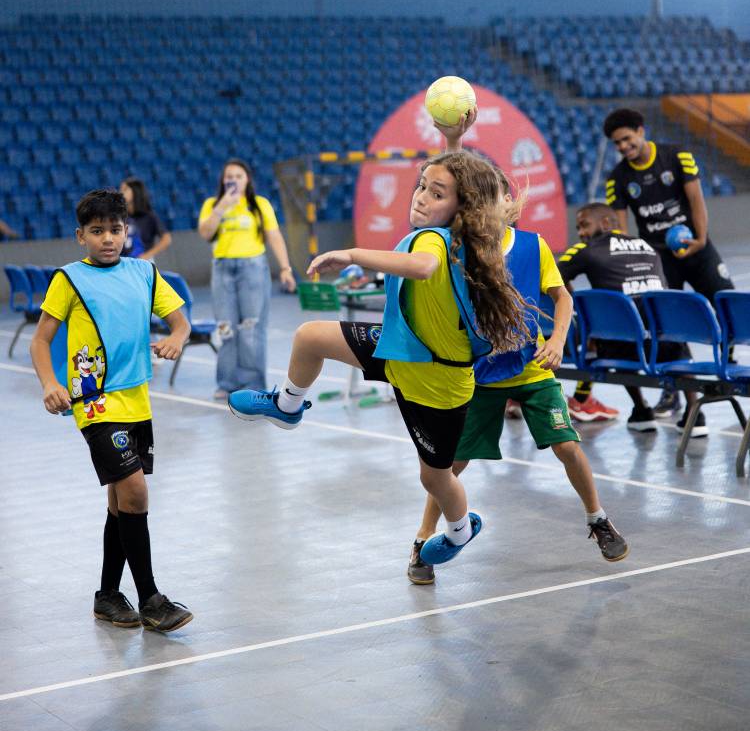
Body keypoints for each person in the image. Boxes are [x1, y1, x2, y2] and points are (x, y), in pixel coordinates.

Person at [228, 146, 532, 575]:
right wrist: (452, 138)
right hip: (399, 349)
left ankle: (461, 529)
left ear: (461, 208)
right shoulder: (459, 237)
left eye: (437, 193)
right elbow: (455, 180)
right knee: (310, 337)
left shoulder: (437, 241)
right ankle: (287, 406)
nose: (422, 197)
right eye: (422, 186)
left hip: (436, 383)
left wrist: (352, 254)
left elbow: (422, 267)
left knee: (435, 479)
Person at [409, 154, 628, 585]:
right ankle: (422, 540)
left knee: (567, 446)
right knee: (451, 465)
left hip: (531, 368)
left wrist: (559, 340)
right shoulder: (459, 249)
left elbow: (562, 298)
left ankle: (598, 519)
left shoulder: (532, 245)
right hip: (479, 375)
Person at [29, 189, 193, 632]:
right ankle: (152, 599)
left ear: (127, 232)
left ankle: (106, 595)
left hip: (137, 400)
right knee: (136, 493)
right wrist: (49, 382)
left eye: (115, 230)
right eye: (97, 231)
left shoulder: (145, 272)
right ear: (80, 236)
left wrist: (177, 336)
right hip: (96, 405)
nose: (108, 239)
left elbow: (180, 320)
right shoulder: (68, 279)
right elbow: (40, 340)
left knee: (121, 503)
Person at [603, 107, 735, 417]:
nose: (622, 146)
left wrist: (700, 239)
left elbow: (696, 200)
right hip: (659, 259)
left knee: (725, 302)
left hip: (697, 248)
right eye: (616, 143)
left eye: (626, 138)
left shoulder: (677, 157)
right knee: (668, 328)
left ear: (641, 130)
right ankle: (673, 393)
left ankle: (729, 361)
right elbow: (622, 230)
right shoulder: (618, 178)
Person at [559, 202, 704, 435]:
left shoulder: (586, 249)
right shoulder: (647, 246)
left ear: (606, 223)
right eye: (578, 228)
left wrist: (580, 306)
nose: (582, 233)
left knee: (613, 332)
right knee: (672, 333)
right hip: (664, 344)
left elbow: (552, 275)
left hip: (622, 349)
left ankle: (641, 409)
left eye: (584, 225)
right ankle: (695, 413)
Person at [198, 158, 297, 401]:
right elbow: (205, 232)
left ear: (247, 180)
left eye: (238, 176)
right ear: (223, 180)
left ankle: (253, 382)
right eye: (228, 176)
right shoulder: (212, 204)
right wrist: (222, 206)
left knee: (251, 327)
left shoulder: (259, 204)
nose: (233, 180)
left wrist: (285, 268)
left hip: (252, 269)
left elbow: (274, 236)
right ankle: (227, 382)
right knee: (226, 328)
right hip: (222, 270)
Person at [119, 177, 172, 260]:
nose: (121, 193)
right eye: (121, 189)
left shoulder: (149, 216)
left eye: (125, 189)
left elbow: (166, 239)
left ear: (135, 192)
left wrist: (147, 255)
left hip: (143, 264)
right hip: (123, 264)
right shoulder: (119, 216)